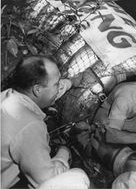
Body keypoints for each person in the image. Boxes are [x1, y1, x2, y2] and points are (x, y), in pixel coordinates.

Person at [1, 55, 90, 189]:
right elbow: (45, 179)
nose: (59, 86)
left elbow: (48, 93)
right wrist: (63, 153)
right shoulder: (30, 126)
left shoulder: (8, 95)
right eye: (56, 84)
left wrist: (70, 82)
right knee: (78, 177)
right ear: (37, 89)